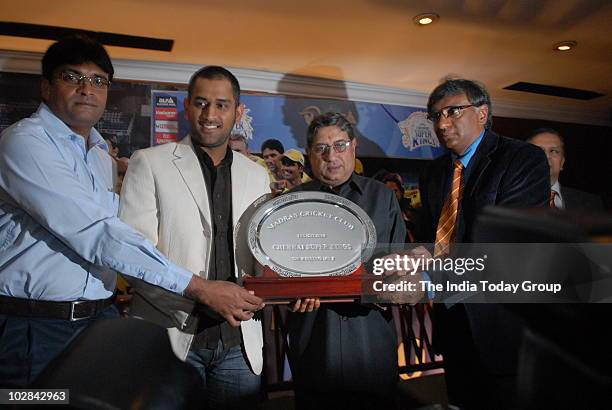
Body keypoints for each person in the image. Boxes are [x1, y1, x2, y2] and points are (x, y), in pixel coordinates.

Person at [0, 37, 262, 388]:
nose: (86, 90)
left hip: (99, 320)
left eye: (98, 81)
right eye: (72, 77)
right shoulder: (24, 142)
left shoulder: (97, 155)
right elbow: (100, 233)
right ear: (46, 87)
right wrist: (198, 288)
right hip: (36, 327)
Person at [119, 66, 270, 409]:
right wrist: (200, 296)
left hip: (240, 343)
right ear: (186, 107)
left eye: (222, 104)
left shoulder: (257, 176)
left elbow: (262, 255)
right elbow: (132, 255)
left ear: (238, 111)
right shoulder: (150, 162)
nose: (210, 115)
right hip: (168, 336)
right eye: (201, 103)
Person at [419, 78, 549, 409]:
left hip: (502, 327)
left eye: (452, 111)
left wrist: (426, 282)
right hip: (452, 322)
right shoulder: (432, 175)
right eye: (435, 116)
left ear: (482, 113)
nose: (442, 123)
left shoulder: (523, 159)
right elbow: (432, 240)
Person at [286, 112, 408, 410]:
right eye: (321, 148)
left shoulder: (382, 197)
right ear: (309, 155)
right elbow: (281, 269)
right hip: (314, 342)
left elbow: (399, 265)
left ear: (354, 146)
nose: (331, 156)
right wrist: (290, 293)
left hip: (370, 342)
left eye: (340, 145)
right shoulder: (291, 203)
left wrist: (384, 287)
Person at [527, 127, 603, 209]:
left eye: (554, 151)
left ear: (562, 163)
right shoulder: (511, 201)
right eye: (538, 151)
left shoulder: (592, 203)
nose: (547, 156)